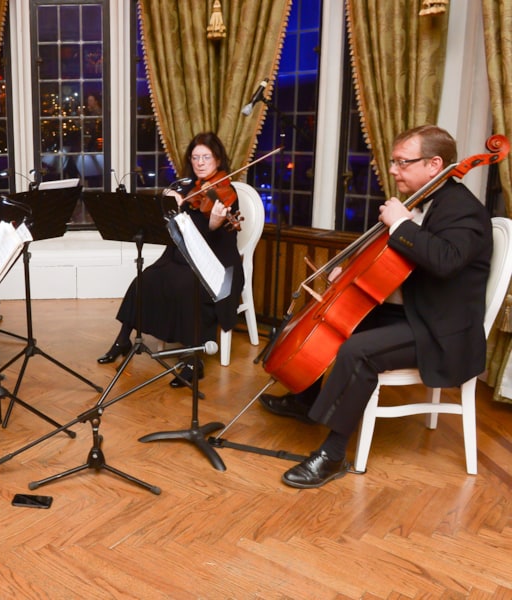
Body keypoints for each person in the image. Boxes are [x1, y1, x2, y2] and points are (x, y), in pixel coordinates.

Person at [260, 125, 493, 488]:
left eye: (403, 162)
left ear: (435, 164)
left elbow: (446, 261)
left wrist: (400, 223)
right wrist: (353, 273)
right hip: (421, 310)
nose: (395, 169)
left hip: (443, 331)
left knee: (359, 350)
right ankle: (307, 399)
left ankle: (332, 454)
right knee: (346, 316)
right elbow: (407, 261)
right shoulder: (425, 198)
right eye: (394, 161)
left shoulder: (463, 209)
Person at [97, 131, 245, 386]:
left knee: (187, 287)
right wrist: (172, 207)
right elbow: (177, 231)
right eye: (195, 157)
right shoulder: (189, 189)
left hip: (216, 261)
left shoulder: (226, 193)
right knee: (146, 278)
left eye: (206, 157)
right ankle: (123, 339)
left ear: (218, 161)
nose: (200, 162)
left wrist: (214, 223)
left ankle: (192, 357)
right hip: (184, 257)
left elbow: (216, 241)